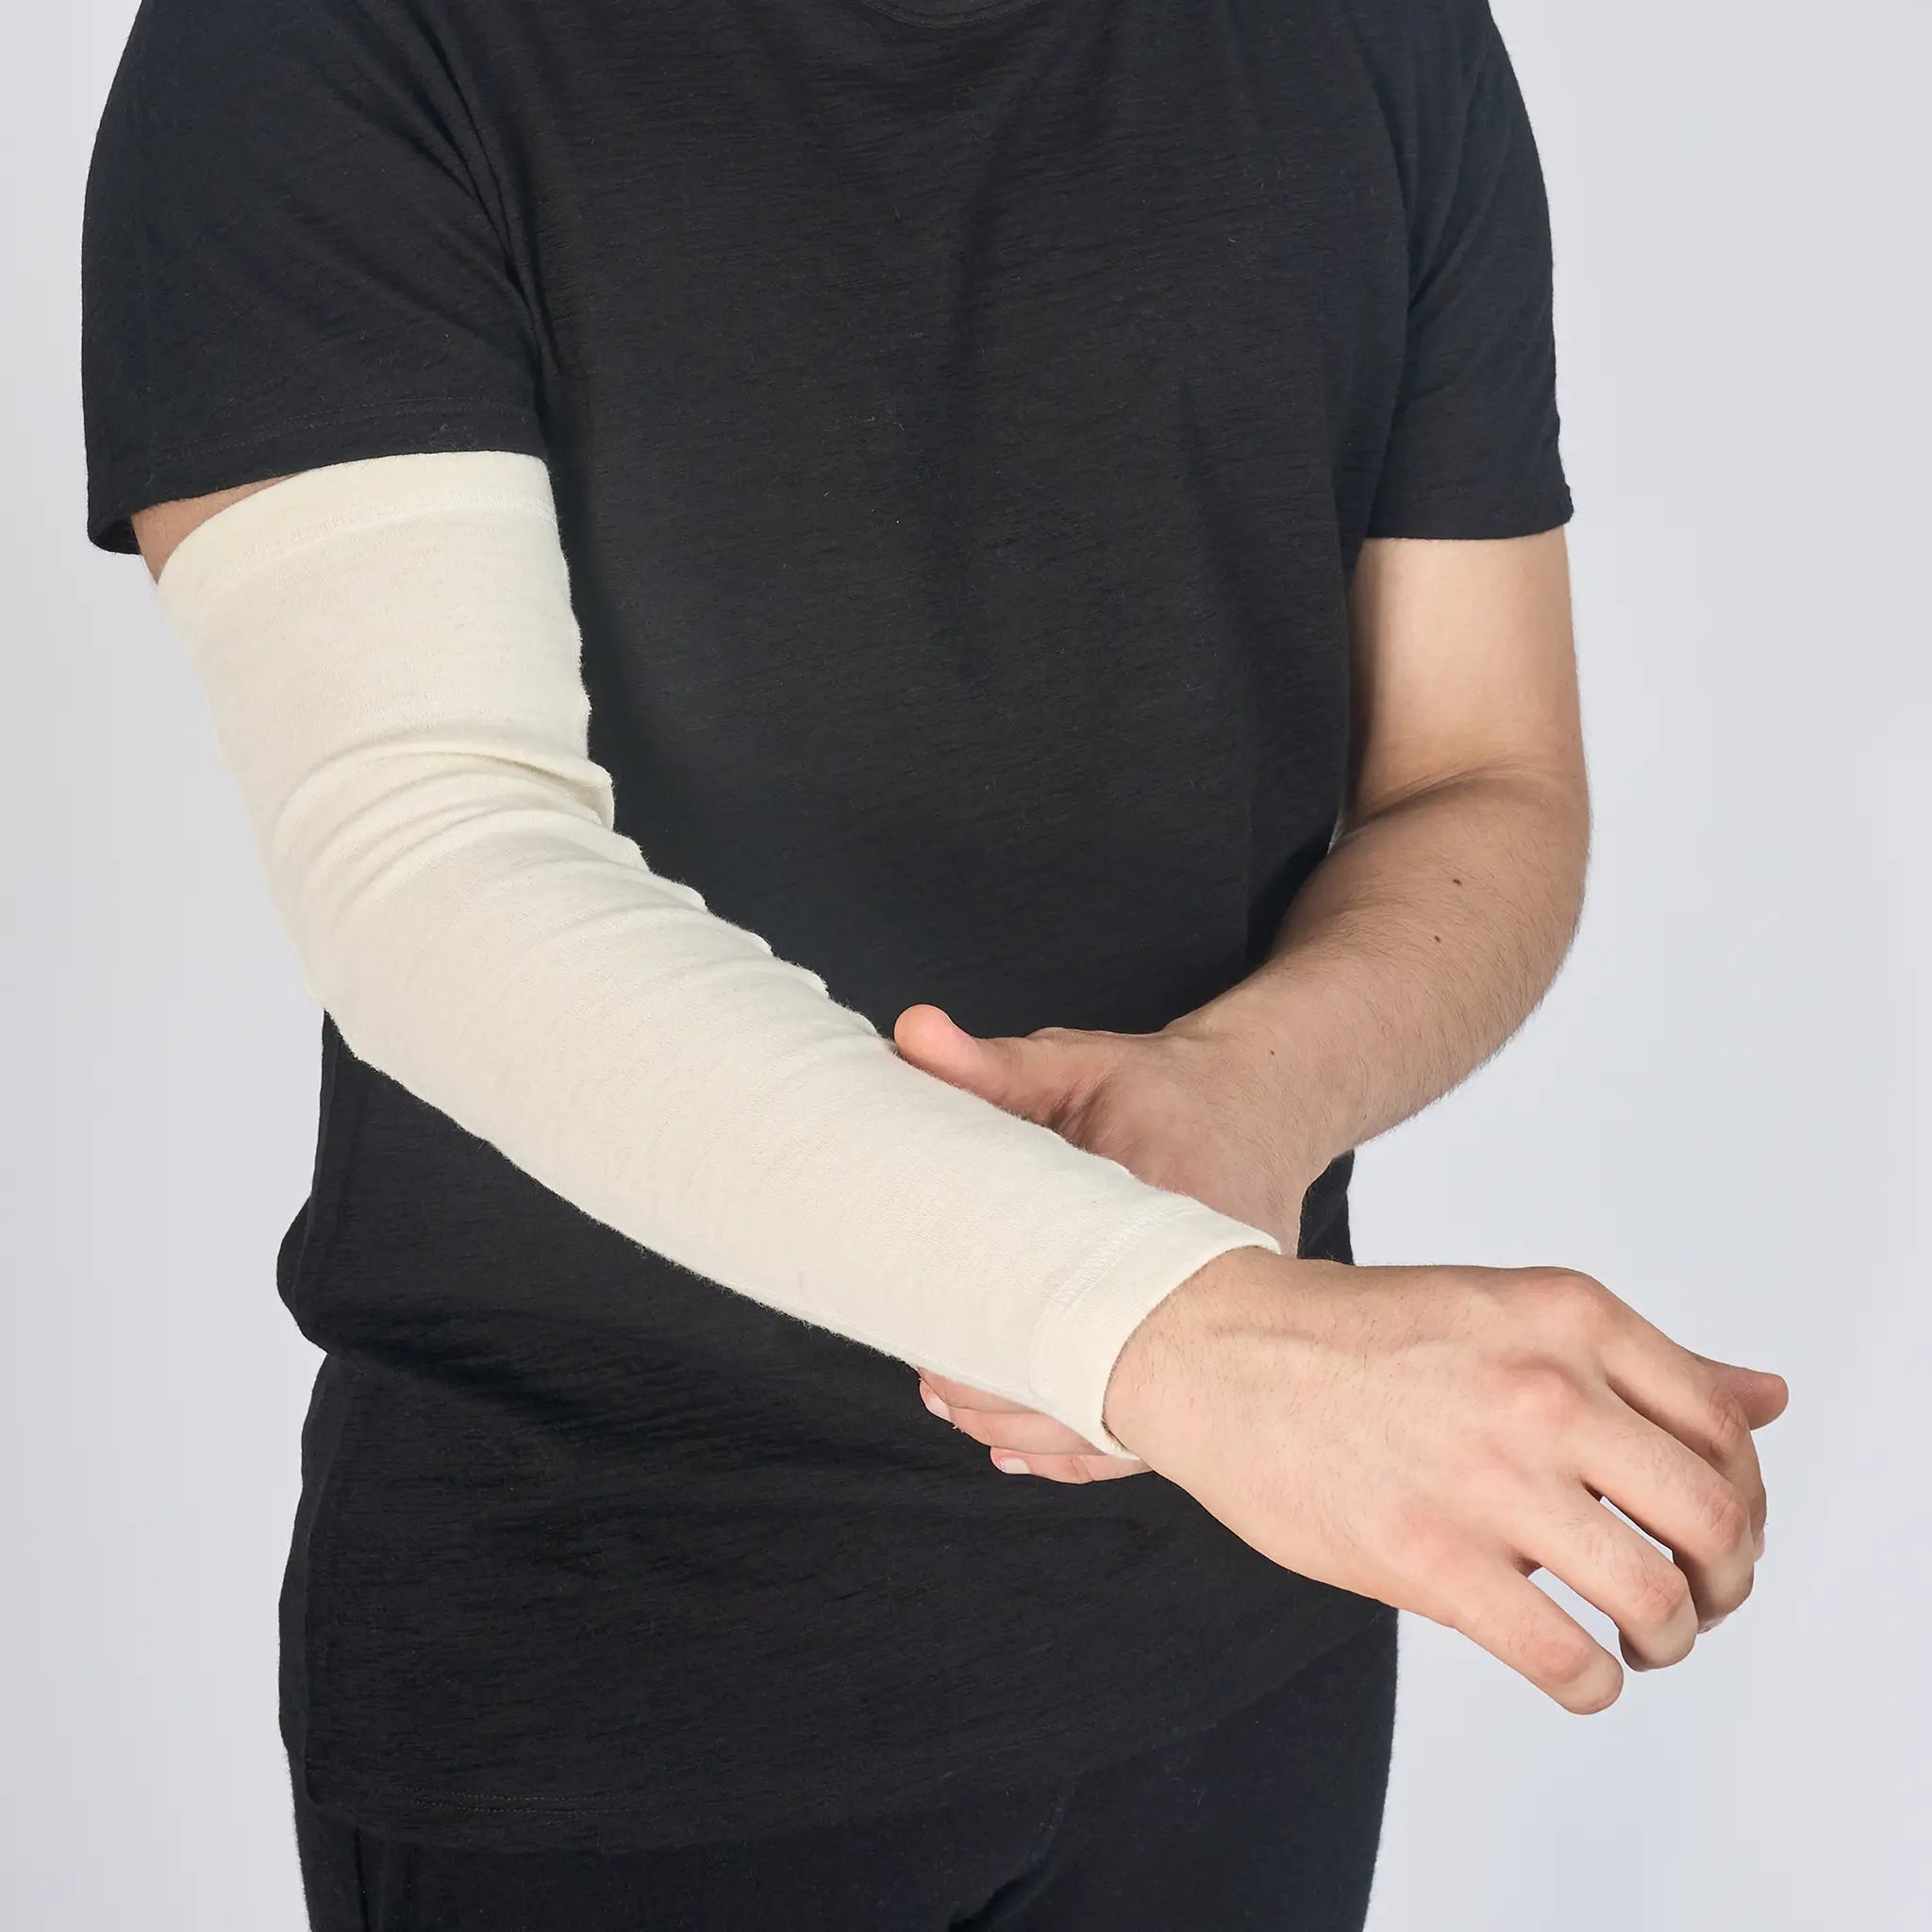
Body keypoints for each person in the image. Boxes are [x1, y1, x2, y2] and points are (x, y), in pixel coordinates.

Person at [80, 1, 1788, 1926]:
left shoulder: (1375, 35)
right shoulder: (320, 39)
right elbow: (433, 860)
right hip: (634, 1680)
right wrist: (1175, 1330)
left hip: (1242, 1609)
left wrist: (1255, 1090)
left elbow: (1482, 776)